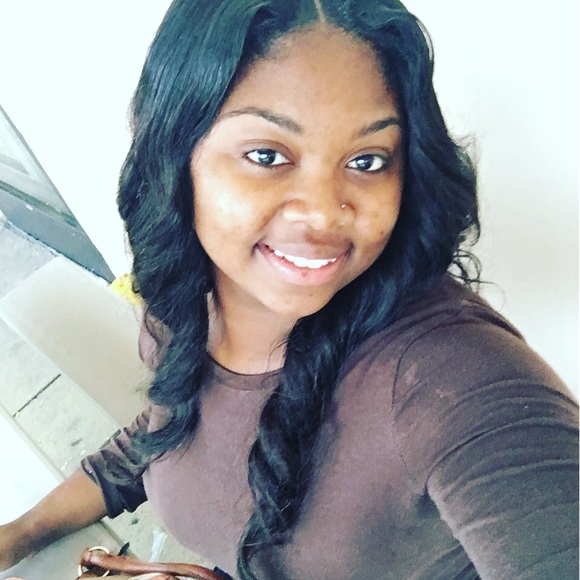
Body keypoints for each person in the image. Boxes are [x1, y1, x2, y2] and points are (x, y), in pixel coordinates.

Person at [1, 0, 578, 578]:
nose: (324, 215)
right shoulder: (185, 303)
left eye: (368, 161)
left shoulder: (452, 379)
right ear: (177, 155)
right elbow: (160, 435)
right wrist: (19, 535)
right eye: (267, 155)